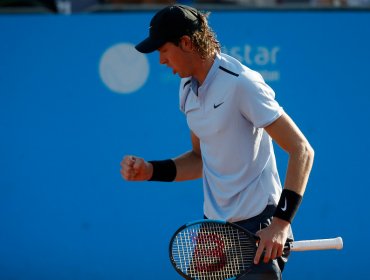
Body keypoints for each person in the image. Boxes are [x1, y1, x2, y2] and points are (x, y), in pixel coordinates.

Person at [120, 4, 314, 279]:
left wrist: (281, 223)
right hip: (216, 227)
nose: (161, 60)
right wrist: (150, 171)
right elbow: (201, 159)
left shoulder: (242, 84)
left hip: (260, 221)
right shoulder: (186, 89)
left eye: (163, 50)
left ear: (185, 42)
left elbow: (302, 150)